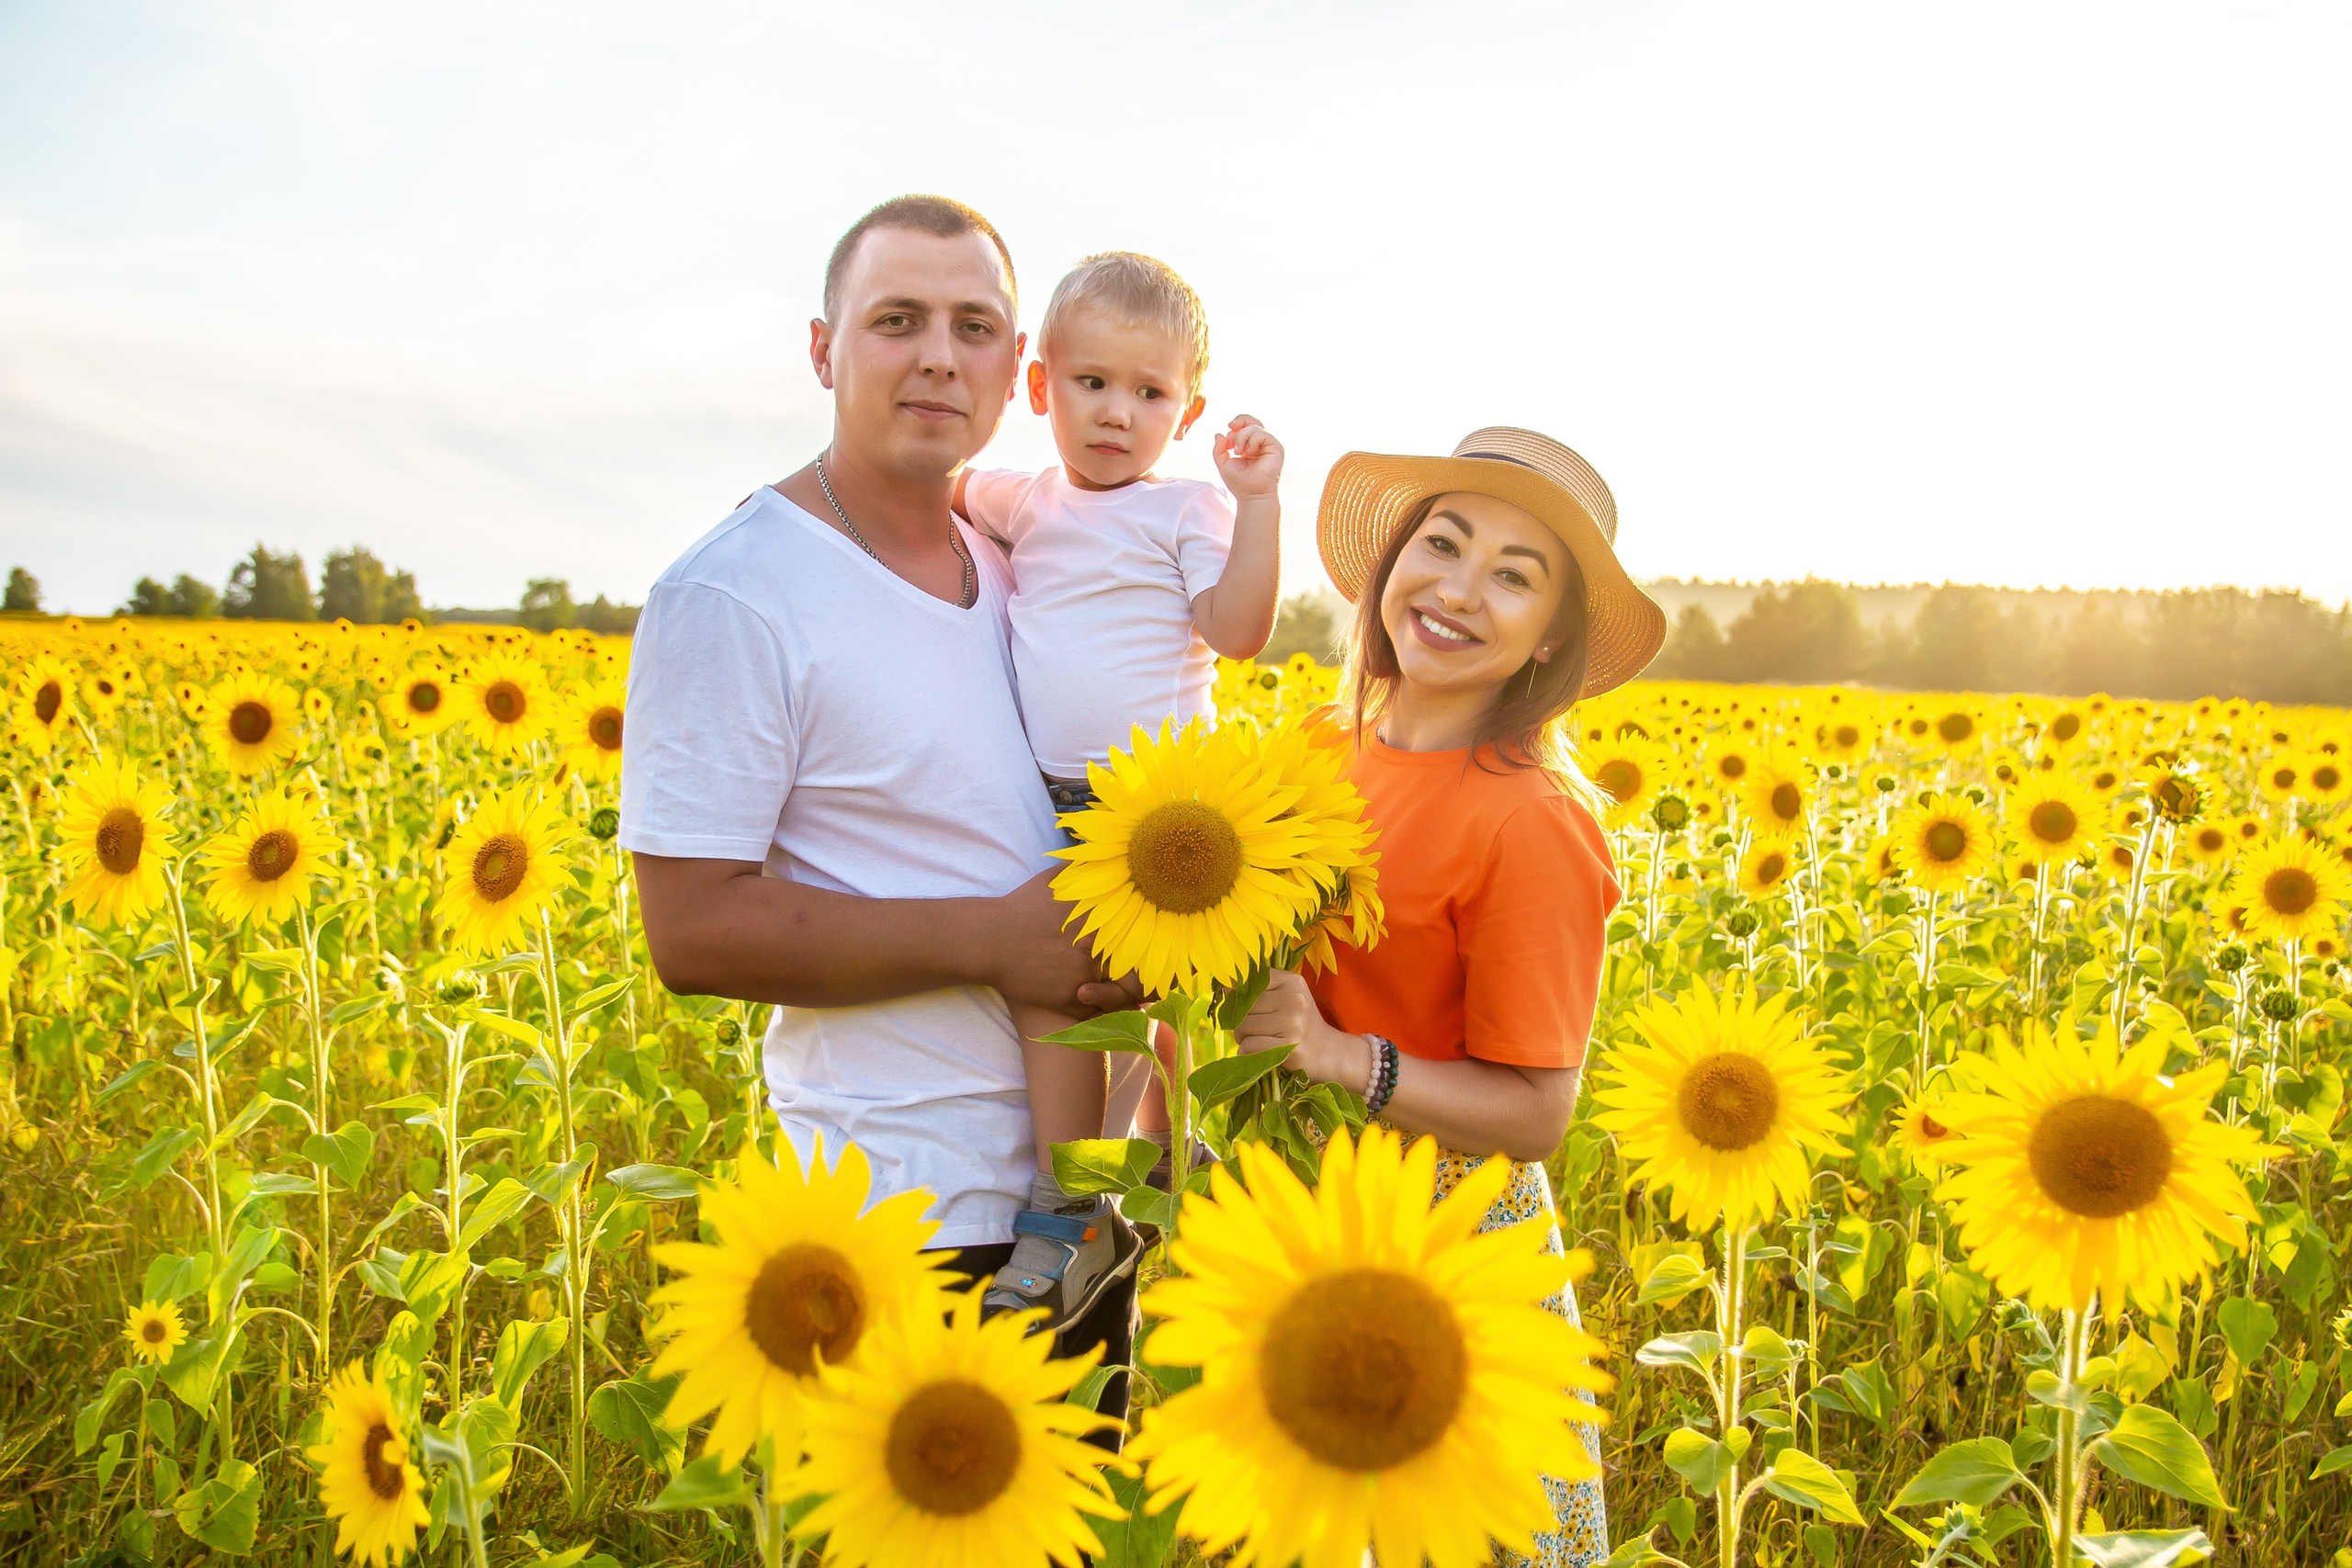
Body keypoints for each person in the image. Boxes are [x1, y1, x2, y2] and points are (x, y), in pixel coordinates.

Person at [618, 195, 1137, 1427]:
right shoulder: (737, 591)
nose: (939, 357)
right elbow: (692, 930)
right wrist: (998, 938)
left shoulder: (1018, 565)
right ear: (823, 349)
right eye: (897, 320)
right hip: (896, 1218)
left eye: (974, 327)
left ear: (1018, 368)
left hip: (1080, 1211)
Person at [1234, 427, 1668, 1567]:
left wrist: (1343, 1059)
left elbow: (1536, 1113)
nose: (1459, 590)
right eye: (1444, 544)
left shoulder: (1532, 821)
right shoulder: (1314, 748)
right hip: (1300, 1216)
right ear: (1392, 563)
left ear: (1550, 638)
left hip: (1454, 1251)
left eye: (1514, 577)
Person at [950, 251, 1284, 1327]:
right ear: (1039, 385)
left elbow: (1237, 630)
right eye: (1091, 383)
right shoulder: (1025, 497)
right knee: (1097, 1005)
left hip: (1158, 816)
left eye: (1149, 393)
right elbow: (937, 487)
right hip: (1047, 801)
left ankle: (1079, 1207)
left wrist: (1258, 505)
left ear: (1187, 414)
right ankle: (1141, 1164)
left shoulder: (1185, 510)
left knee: (1102, 1007)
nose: (1115, 413)